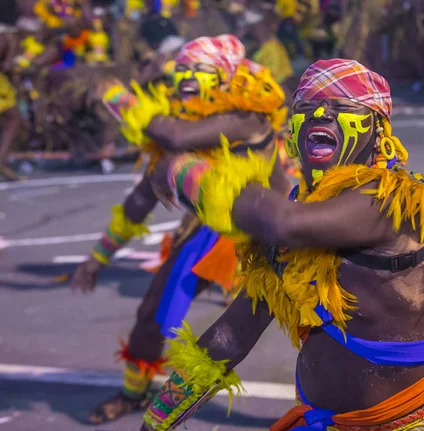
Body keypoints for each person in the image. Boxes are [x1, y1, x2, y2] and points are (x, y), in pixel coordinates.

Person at [141, 58, 424, 431]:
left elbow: (281, 224)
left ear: (378, 132)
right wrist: (155, 422)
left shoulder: (394, 204)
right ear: (292, 132)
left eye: (343, 108)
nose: (321, 112)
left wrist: (181, 171)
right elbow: (233, 334)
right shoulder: (301, 208)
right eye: (306, 108)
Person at [68, 34, 290, 425]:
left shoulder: (248, 116)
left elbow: (175, 137)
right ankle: (134, 393)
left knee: (315, 326)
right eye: (181, 70)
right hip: (211, 234)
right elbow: (140, 200)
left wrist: (117, 95)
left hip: (272, 237)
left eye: (198, 70)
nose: (186, 77)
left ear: (225, 77)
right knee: (152, 312)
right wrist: (96, 259)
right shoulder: (180, 124)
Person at [0, 0, 22, 181]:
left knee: (11, 117)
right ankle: (2, 160)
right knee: (12, 117)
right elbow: (7, 66)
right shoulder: (6, 35)